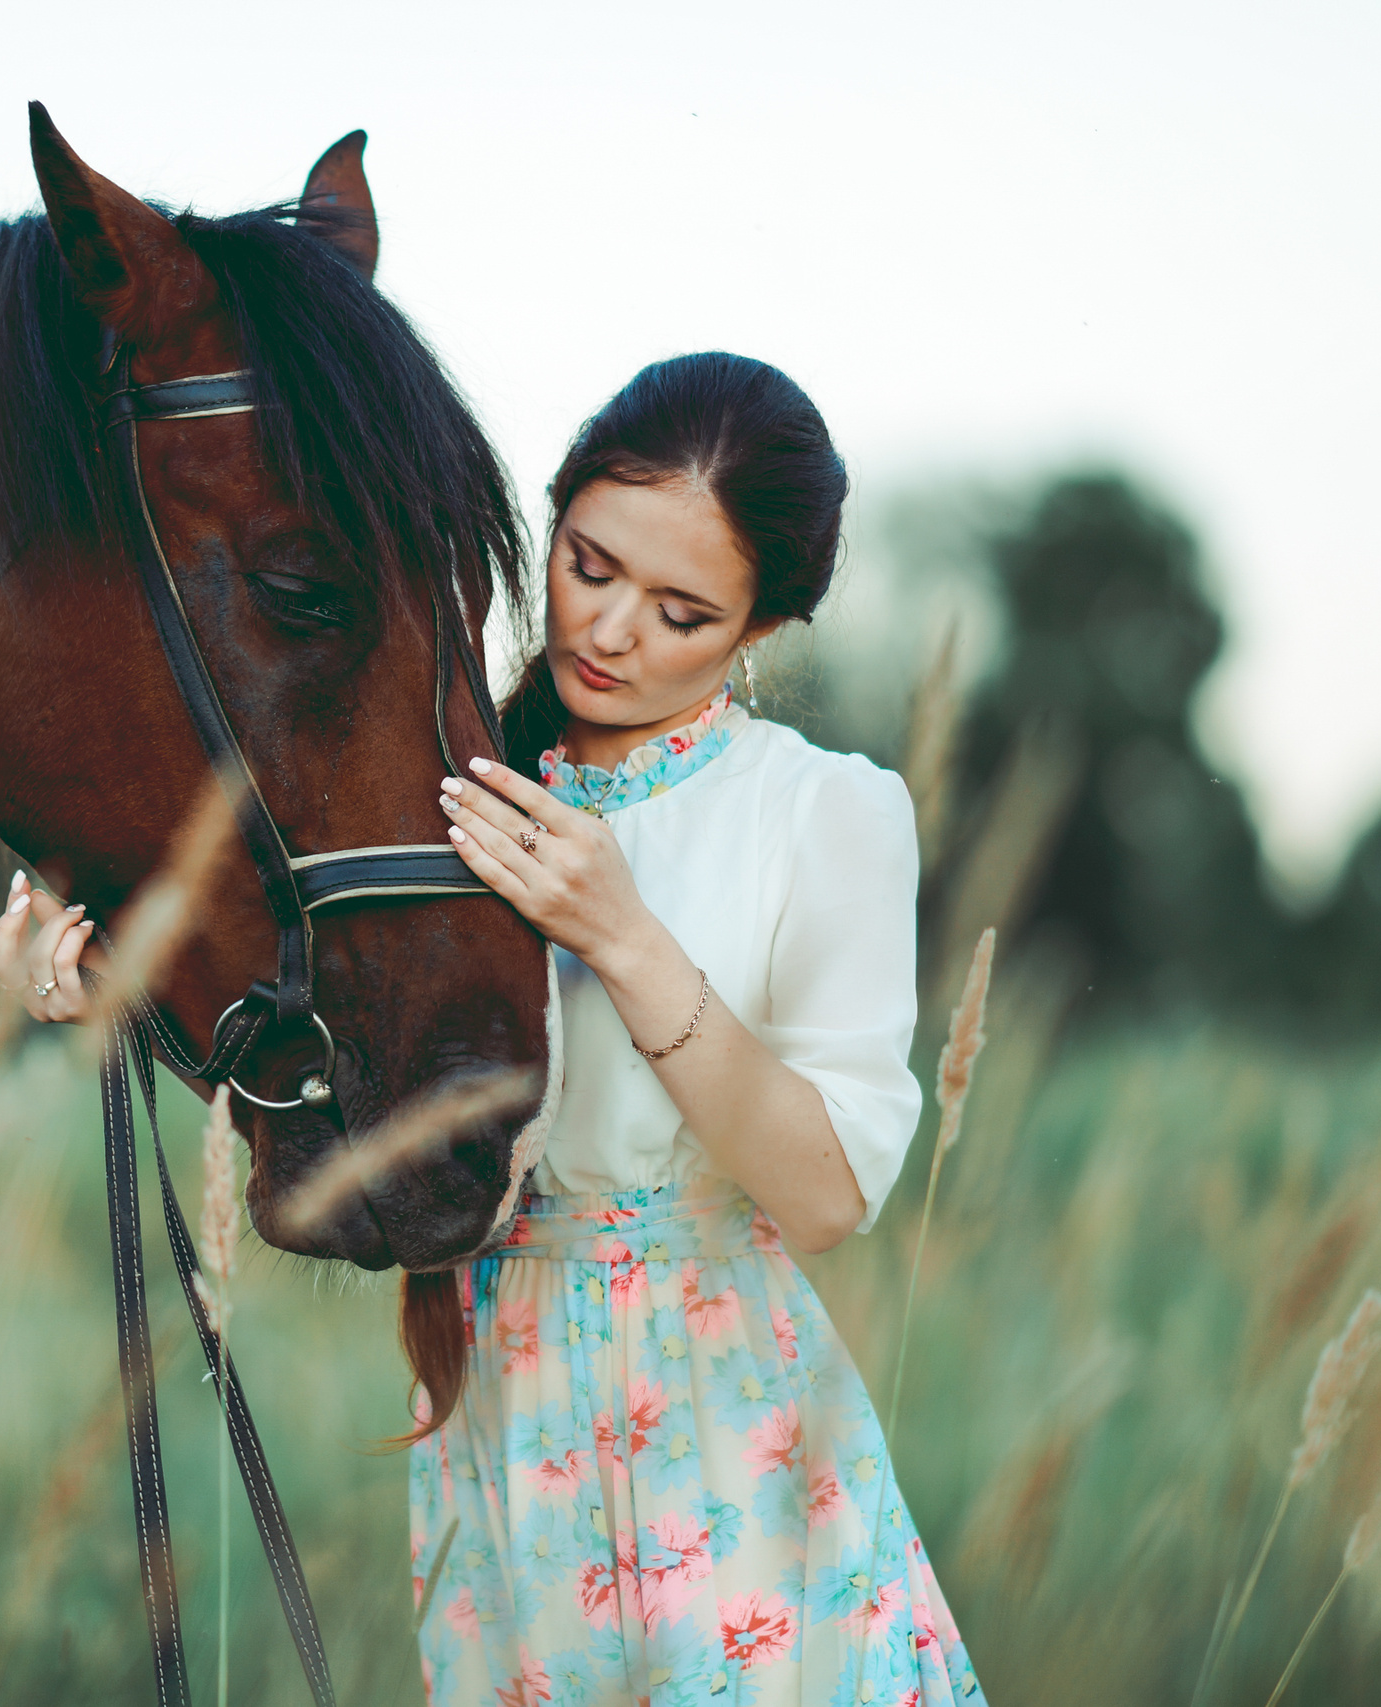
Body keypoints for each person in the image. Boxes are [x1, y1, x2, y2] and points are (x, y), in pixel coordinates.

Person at [408, 353, 984, 1706]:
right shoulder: (450, 786)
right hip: (499, 1413)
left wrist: (622, 934)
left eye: (680, 612)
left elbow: (827, 1191)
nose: (608, 633)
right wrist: (78, 950)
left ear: (759, 629)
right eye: (590, 566)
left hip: (726, 1420)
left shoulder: (822, 811)